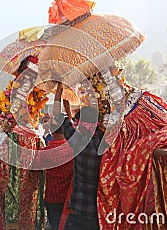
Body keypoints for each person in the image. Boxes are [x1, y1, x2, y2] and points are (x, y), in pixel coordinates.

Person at [52, 82, 104, 230]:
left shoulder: (78, 140)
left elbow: (57, 115)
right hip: (99, 210)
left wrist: (60, 89)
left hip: (79, 208)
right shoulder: (106, 142)